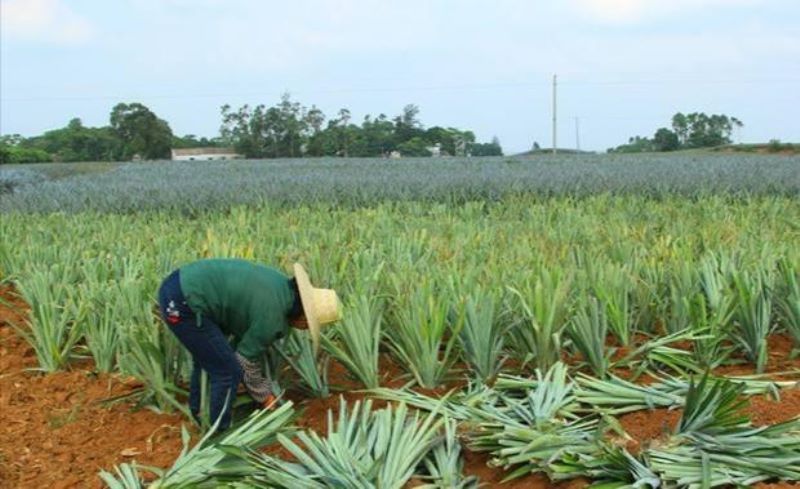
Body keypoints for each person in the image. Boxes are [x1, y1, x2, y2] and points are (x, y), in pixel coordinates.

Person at [157, 259, 341, 430]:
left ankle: (199, 414)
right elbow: (243, 360)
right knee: (228, 371)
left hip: (178, 283)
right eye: (308, 325)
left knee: (210, 359)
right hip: (184, 302)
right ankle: (219, 434)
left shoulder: (281, 286)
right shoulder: (273, 317)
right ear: (304, 317)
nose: (305, 329)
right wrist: (265, 396)